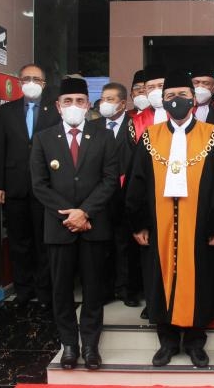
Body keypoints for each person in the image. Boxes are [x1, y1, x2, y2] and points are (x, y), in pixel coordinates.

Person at [125, 69, 214, 368]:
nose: (176, 101)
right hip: (160, 224)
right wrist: (139, 223)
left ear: (194, 99)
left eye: (182, 95)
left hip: (199, 226)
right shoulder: (150, 136)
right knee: (160, 280)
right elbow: (137, 182)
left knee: (200, 279)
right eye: (170, 96)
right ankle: (167, 342)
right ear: (162, 100)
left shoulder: (213, 135)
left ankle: (196, 342)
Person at [30, 77, 119, 370]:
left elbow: (109, 180)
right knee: (61, 289)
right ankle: (69, 344)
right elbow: (39, 185)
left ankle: (91, 345)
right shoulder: (43, 138)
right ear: (58, 106)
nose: (74, 106)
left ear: (88, 105)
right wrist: (69, 214)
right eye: (67, 101)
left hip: (93, 227)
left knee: (94, 288)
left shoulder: (104, 136)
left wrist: (86, 212)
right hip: (59, 228)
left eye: (79, 101)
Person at [0, 63, 60, 309]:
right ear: (19, 82)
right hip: (14, 187)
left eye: (36, 79)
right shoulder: (7, 111)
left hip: (45, 188)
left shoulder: (54, 111)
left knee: (43, 242)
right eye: (26, 78)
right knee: (19, 241)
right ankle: (23, 290)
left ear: (44, 84)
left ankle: (44, 291)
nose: (31, 82)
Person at [94, 82, 141, 308]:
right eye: (103, 99)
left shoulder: (134, 126)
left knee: (125, 244)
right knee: (103, 245)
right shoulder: (93, 127)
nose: (105, 104)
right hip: (99, 197)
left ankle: (126, 289)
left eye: (111, 100)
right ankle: (104, 289)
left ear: (123, 103)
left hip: (125, 195)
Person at [132, 64, 168, 139]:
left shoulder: (181, 116)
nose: (156, 90)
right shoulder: (136, 121)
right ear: (146, 90)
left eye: (161, 86)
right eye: (151, 87)